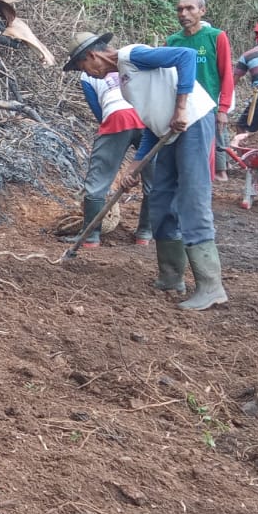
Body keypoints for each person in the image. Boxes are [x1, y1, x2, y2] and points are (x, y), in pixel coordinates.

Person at [64, 32, 228, 311]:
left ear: (92, 56)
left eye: (83, 67)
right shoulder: (125, 83)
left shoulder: (132, 56)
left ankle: (211, 287)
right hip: (168, 133)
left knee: (191, 201)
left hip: (192, 124)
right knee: (161, 200)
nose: (88, 74)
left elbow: (186, 56)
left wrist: (180, 108)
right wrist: (135, 165)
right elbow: (152, 124)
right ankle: (171, 277)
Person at [62, 55, 148, 247]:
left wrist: (111, 143)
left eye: (81, 65)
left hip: (116, 116)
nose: (83, 69)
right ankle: (145, 234)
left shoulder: (86, 77)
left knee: (97, 182)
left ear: (90, 56)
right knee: (153, 181)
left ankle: (90, 237)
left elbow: (98, 111)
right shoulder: (130, 59)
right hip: (146, 115)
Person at [166, 0, 233, 182]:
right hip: (179, 110)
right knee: (177, 159)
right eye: (180, 9)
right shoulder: (172, 42)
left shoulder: (216, 37)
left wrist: (223, 109)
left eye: (190, 8)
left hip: (206, 110)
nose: (183, 13)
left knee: (203, 160)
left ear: (202, 11)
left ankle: (201, 194)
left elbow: (226, 74)